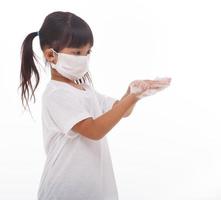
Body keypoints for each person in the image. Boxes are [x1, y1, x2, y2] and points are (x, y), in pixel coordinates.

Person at [19, 11, 171, 200]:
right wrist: (131, 98)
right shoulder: (56, 94)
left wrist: (134, 93)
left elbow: (121, 111)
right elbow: (94, 130)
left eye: (88, 52)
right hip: (65, 192)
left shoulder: (85, 90)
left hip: (93, 191)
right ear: (51, 55)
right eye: (77, 53)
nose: (84, 58)